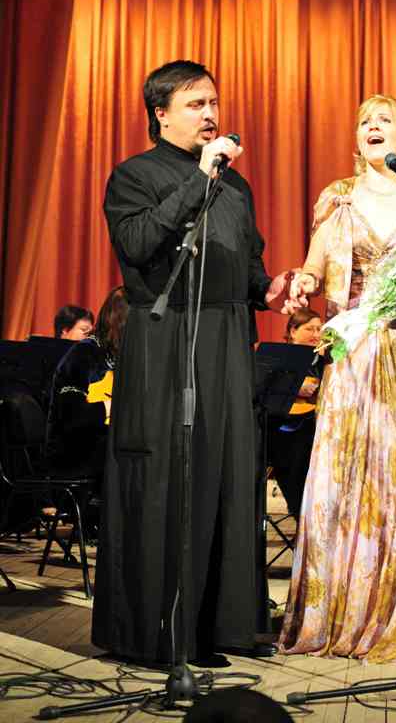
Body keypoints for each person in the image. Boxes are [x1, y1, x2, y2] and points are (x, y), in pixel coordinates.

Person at [91, 60, 299, 667]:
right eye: (194, 104)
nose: (210, 114)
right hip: (166, 336)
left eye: (213, 103)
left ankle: (219, 626)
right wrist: (198, 179)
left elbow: (249, 266)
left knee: (227, 475)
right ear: (160, 114)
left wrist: (271, 290)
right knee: (171, 475)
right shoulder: (134, 175)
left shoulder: (236, 186)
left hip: (228, 339)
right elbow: (137, 245)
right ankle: (161, 631)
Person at [277, 94, 396, 662]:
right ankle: (341, 610)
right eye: (364, 120)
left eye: (383, 119)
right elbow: (315, 266)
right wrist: (302, 281)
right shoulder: (338, 197)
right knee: (349, 471)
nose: (371, 126)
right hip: (356, 352)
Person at [46, 287, 129, 481]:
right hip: (75, 453)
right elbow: (71, 416)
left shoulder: (118, 354)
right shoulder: (83, 354)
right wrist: (109, 406)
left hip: (103, 444)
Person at [267, 308, 323, 519]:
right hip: (285, 432)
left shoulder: (323, 362)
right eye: (309, 329)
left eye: (319, 329)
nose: (316, 334)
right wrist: (295, 388)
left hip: (314, 430)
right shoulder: (279, 357)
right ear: (293, 331)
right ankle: (301, 513)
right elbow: (265, 392)